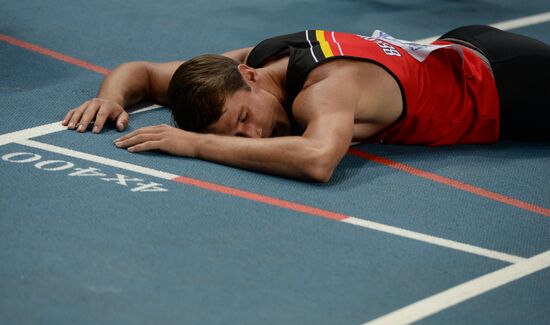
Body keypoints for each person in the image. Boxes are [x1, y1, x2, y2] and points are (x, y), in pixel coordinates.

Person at [62, 25, 550, 182]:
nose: (251, 136)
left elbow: (318, 160)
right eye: (235, 134)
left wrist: (194, 145)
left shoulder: (326, 89)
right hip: (464, 48)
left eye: (244, 120)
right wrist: (109, 99)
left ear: (248, 79)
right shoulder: (247, 67)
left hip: (518, 90)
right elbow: (142, 72)